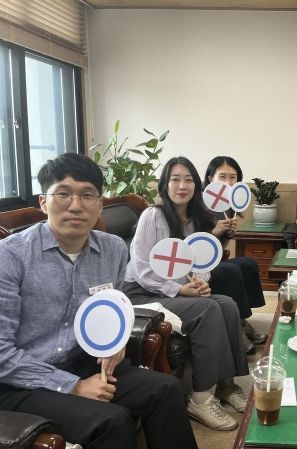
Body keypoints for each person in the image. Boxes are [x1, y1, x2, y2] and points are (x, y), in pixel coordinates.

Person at [0, 153, 197, 449]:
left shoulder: (113, 249)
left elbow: (113, 310)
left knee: (166, 389)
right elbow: (2, 354)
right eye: (63, 194)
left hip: (82, 363)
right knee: (112, 421)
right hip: (21, 382)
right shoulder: (10, 256)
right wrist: (73, 386)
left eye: (87, 195)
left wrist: (115, 343)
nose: (75, 205)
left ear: (100, 203)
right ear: (43, 202)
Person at [123, 156, 249, 431]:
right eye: (175, 179)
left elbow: (200, 264)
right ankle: (201, 399)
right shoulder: (152, 215)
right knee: (207, 309)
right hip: (143, 293)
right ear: (164, 184)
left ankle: (226, 385)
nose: (182, 185)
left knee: (227, 304)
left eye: (188, 179)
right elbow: (142, 268)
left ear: (197, 185)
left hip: (175, 291)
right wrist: (179, 289)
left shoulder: (197, 219)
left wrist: (201, 283)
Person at [203, 156, 267, 353]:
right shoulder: (200, 204)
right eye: (222, 176)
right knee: (230, 271)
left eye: (233, 177)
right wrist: (214, 232)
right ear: (210, 178)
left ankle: (242, 321)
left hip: (215, 260)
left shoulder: (228, 205)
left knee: (248, 264)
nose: (228, 182)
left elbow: (220, 247)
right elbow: (195, 246)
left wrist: (228, 234)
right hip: (197, 267)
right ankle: (236, 331)